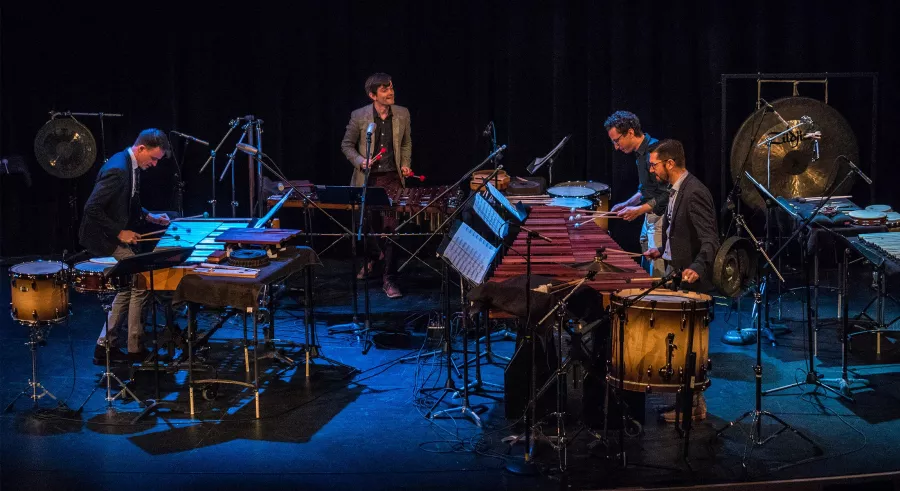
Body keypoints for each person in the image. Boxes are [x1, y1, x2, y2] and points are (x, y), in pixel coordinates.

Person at [642, 138, 720, 422]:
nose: (652, 170)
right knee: (680, 346)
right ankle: (691, 406)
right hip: (678, 274)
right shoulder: (676, 190)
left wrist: (698, 267)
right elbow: (680, 233)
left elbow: (710, 238)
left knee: (690, 349)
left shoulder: (695, 192)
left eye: (654, 165)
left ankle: (692, 408)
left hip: (693, 281)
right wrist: (660, 251)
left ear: (670, 163)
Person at [80, 129, 172, 364]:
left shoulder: (131, 166)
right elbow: (92, 208)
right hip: (102, 237)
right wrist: (120, 232)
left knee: (130, 285)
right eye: (153, 158)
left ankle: (106, 346)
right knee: (140, 282)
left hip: (111, 234)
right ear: (141, 149)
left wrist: (150, 217)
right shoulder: (118, 169)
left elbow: (126, 203)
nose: (153, 164)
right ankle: (134, 348)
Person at [341, 72, 412, 299]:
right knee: (368, 227)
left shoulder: (402, 113)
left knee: (391, 230)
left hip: (392, 180)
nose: (390, 92)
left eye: (391, 87)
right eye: (384, 89)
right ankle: (374, 257)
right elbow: (347, 145)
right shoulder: (359, 116)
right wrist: (361, 161)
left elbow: (406, 143)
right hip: (367, 180)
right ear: (373, 95)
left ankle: (389, 279)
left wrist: (405, 164)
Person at [604, 111, 669, 277]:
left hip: (662, 219)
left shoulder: (655, 152)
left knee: (658, 274)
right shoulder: (640, 155)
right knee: (647, 271)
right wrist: (628, 204)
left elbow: (665, 195)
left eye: (617, 141)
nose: (616, 147)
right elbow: (645, 189)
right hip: (650, 217)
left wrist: (638, 211)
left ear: (630, 132)